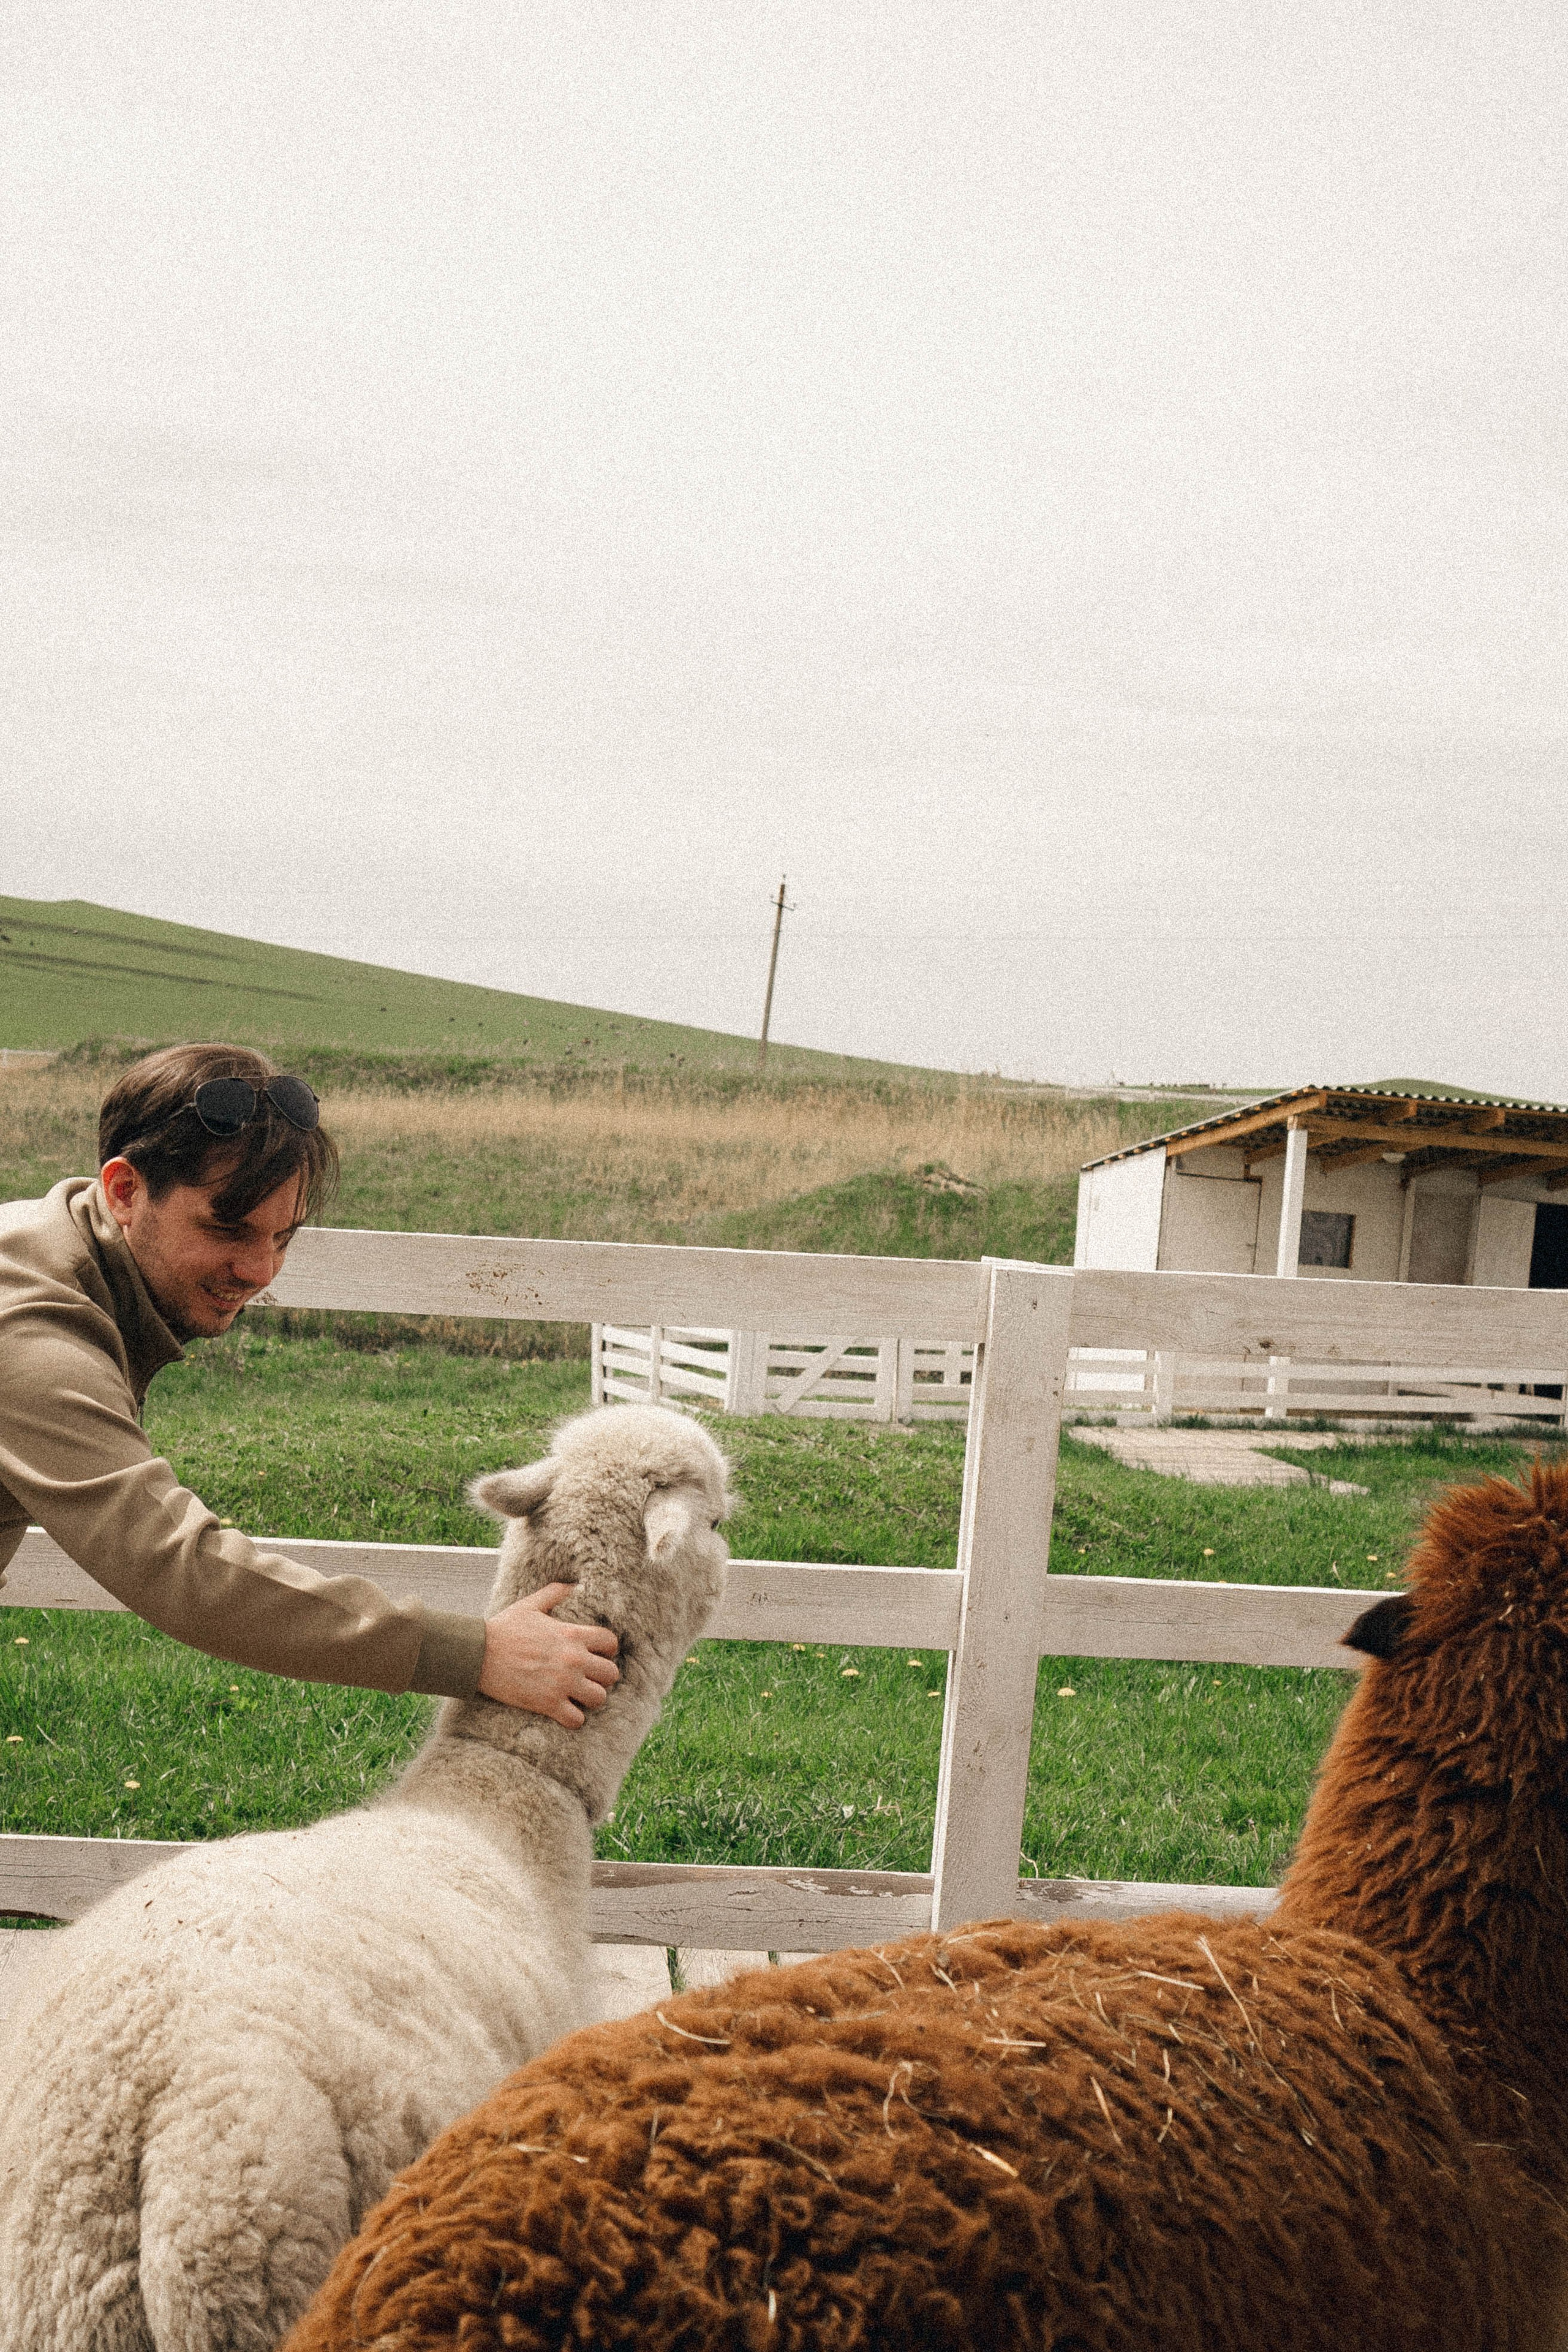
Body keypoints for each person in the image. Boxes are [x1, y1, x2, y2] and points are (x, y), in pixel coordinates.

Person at [0, 1042, 619, 1725]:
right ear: (125, 1191)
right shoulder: (27, 1329)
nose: (260, 1270)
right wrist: (477, 1655)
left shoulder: (50, 1250)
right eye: (227, 1228)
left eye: (283, 1237)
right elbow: (178, 1569)